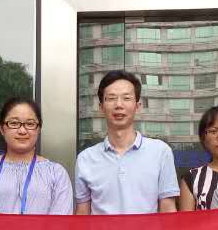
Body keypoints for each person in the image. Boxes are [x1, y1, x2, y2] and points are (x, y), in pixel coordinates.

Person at [74, 70, 180, 215]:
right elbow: (82, 214)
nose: (119, 105)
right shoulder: (86, 159)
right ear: (101, 107)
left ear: (138, 106)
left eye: (126, 98)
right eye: (111, 98)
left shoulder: (161, 152)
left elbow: (168, 209)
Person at [0, 97, 74, 215]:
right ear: (1, 128)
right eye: (14, 123)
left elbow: (60, 223)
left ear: (39, 129)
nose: (22, 131)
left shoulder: (56, 174)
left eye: (30, 124)